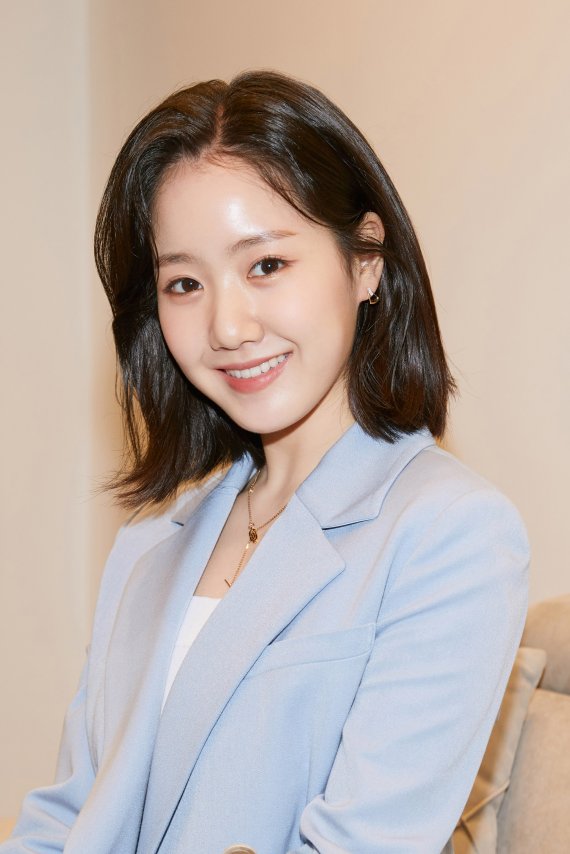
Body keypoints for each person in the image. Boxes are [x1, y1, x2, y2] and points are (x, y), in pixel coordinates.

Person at [3, 70, 528, 854]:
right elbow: (67, 816)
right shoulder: (147, 546)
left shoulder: (452, 533)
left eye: (266, 266)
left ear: (365, 261)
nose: (227, 326)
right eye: (184, 282)